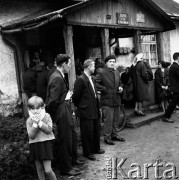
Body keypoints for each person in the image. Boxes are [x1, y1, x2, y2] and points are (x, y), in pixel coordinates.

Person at [46, 54, 82, 176]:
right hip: (62, 113)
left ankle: (72, 161)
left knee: (72, 136)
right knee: (65, 140)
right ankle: (66, 168)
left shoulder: (59, 75)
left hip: (64, 110)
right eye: (70, 64)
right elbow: (52, 101)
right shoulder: (57, 77)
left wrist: (65, 98)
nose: (70, 67)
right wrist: (53, 115)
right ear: (64, 64)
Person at [72, 59, 105, 161]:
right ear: (88, 67)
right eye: (93, 66)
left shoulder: (92, 78)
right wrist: (82, 106)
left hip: (94, 108)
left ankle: (96, 148)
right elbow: (75, 97)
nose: (94, 68)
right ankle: (88, 152)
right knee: (87, 132)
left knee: (95, 129)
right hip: (86, 110)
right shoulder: (80, 79)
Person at [96, 55, 125, 145]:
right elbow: (94, 82)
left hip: (116, 99)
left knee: (116, 119)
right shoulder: (101, 72)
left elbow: (120, 82)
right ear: (106, 63)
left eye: (113, 61)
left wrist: (120, 87)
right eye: (110, 62)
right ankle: (107, 137)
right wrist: (103, 89)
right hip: (107, 100)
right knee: (108, 120)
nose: (112, 63)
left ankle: (115, 134)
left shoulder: (116, 72)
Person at [26, 96, 57, 180]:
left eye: (37, 108)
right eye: (33, 108)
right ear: (29, 109)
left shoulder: (47, 116)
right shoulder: (29, 120)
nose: (35, 111)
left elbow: (49, 130)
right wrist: (35, 124)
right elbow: (31, 136)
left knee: (48, 170)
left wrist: (39, 122)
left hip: (46, 144)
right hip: (35, 145)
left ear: (42, 107)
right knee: (39, 169)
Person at [163, 52, 179, 123]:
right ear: (178, 58)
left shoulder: (174, 66)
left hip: (176, 88)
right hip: (176, 88)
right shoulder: (175, 66)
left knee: (173, 103)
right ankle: (166, 117)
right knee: (173, 103)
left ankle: (166, 116)